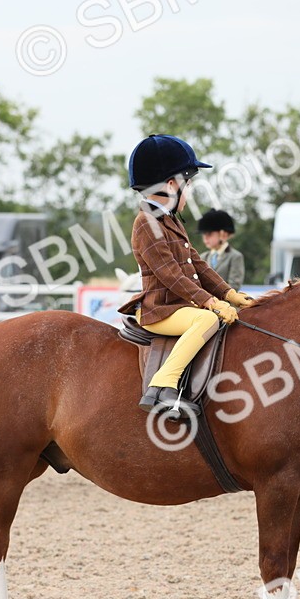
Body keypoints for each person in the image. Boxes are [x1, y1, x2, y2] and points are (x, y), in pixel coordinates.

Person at [117, 134, 254, 415]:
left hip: (178, 306)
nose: (189, 193)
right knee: (206, 319)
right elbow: (170, 275)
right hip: (159, 310)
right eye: (187, 184)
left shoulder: (169, 221)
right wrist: (212, 303)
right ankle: (163, 385)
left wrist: (229, 294)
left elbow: (199, 265)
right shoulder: (147, 223)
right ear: (171, 185)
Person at [197, 209, 246, 290]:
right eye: (203, 234)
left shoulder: (235, 257)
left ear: (223, 234)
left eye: (209, 234)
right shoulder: (202, 257)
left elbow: (234, 286)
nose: (205, 238)